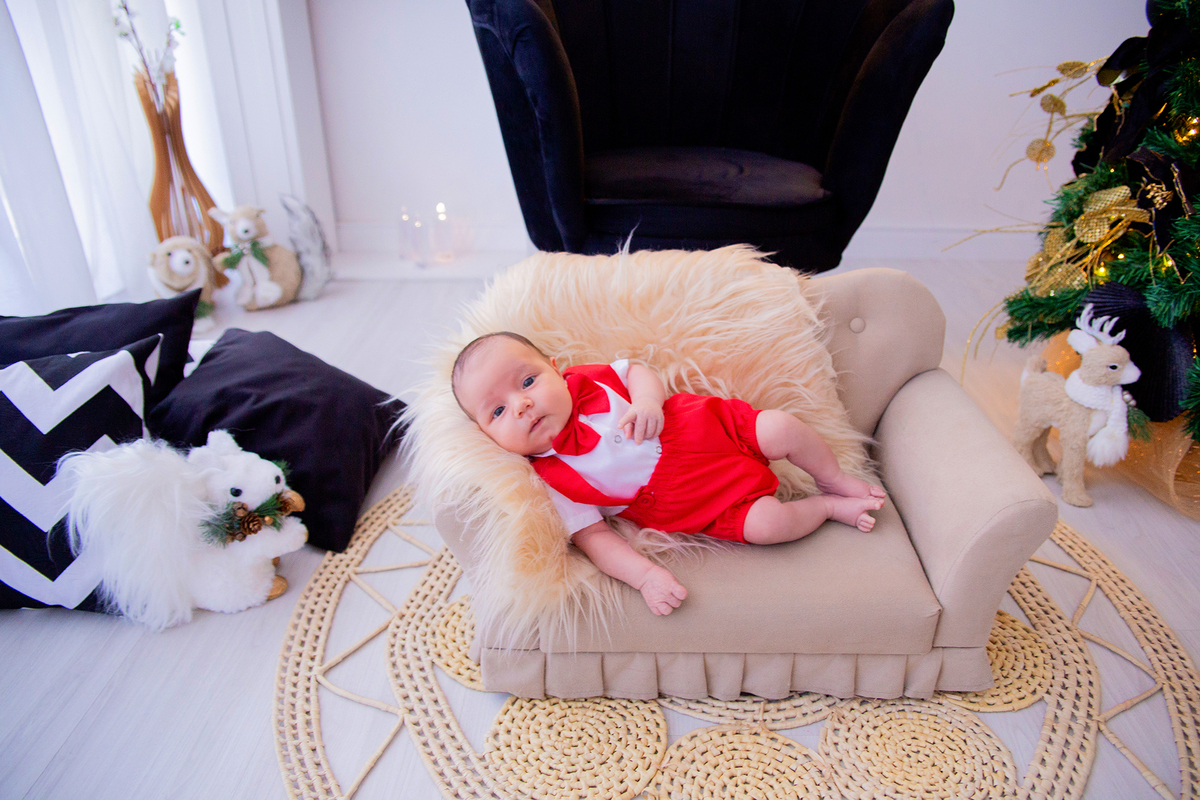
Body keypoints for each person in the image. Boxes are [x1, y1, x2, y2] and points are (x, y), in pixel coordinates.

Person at [451, 331, 886, 617]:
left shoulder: (591, 379)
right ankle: (826, 506)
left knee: (780, 426)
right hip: (707, 503)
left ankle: (831, 478)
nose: (522, 404)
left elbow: (638, 371)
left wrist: (647, 403)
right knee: (769, 524)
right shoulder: (551, 481)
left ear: (556, 367)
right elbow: (596, 540)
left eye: (527, 382)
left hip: (714, 428)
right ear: (486, 435)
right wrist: (644, 576)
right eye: (498, 410)